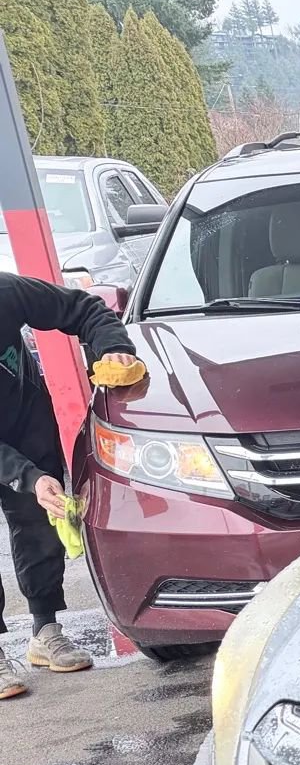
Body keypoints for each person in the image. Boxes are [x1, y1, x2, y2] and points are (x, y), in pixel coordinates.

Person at [0, 273, 141, 699]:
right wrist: (27, 477)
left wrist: (114, 348)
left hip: (26, 420)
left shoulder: (7, 293)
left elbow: (84, 308)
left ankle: (45, 629)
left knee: (40, 525)